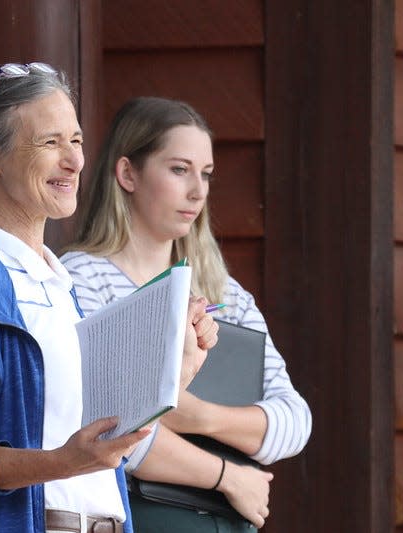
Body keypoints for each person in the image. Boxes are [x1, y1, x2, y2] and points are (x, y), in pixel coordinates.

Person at [0, 63, 217, 533]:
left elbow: (99, 435)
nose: (75, 160)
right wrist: (61, 462)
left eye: (76, 140)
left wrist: (176, 370)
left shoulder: (56, 277)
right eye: (50, 142)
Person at [60, 96, 313, 532]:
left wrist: (196, 415)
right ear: (127, 174)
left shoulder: (224, 292)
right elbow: (110, 433)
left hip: (231, 523)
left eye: (207, 174)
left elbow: (294, 420)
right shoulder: (81, 280)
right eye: (179, 170)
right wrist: (229, 476)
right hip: (142, 516)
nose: (198, 190)